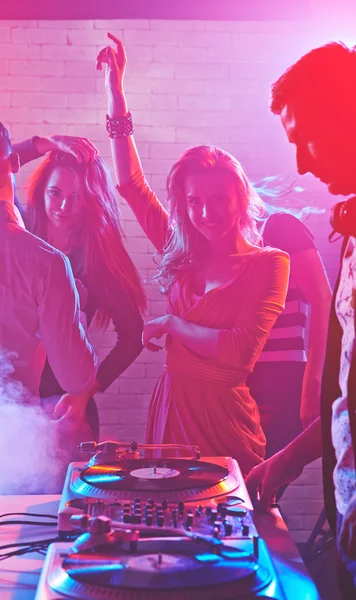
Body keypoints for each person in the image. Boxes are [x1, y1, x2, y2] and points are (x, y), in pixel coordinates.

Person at [246, 42, 356, 598]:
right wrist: (290, 459)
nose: (302, 164)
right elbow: (352, 398)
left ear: (350, 119)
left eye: (304, 139)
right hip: (355, 524)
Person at [96, 33, 290, 475]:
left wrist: (170, 323)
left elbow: (238, 353)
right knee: (169, 521)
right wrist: (116, 93)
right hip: (172, 411)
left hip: (226, 422)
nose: (206, 213)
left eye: (219, 198)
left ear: (240, 197)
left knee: (233, 534)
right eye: (194, 202)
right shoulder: (182, 249)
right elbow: (129, 184)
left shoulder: (270, 263)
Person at [25, 146, 147, 444]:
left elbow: (134, 336)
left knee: (67, 491)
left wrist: (84, 393)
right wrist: (38, 144)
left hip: (65, 409)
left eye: (77, 197)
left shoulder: (97, 259)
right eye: (55, 193)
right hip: (12, 403)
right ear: (41, 192)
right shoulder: (17, 240)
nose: (64, 206)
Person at [0, 121, 98, 407]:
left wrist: (44, 143)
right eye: (56, 193)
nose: (64, 206)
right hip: (12, 433)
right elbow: (77, 379)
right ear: (16, 163)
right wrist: (76, 306)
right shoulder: (48, 263)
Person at [247, 210, 331, 464]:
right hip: (239, 381)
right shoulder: (220, 241)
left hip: (279, 380)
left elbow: (323, 299)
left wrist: (314, 382)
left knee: (257, 486)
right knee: (241, 491)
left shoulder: (278, 226)